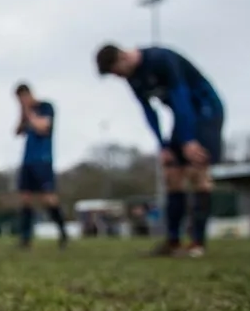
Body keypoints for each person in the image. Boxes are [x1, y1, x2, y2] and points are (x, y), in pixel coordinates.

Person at [95, 43, 224, 257]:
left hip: (204, 111)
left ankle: (197, 243)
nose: (119, 78)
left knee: (197, 170)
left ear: (122, 57)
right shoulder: (133, 78)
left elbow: (182, 97)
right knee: (172, 174)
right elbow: (149, 111)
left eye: (117, 72)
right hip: (182, 118)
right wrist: (163, 145)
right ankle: (173, 241)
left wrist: (189, 139)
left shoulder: (161, 59)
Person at [14, 83, 67, 249]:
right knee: (25, 198)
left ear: (29, 94)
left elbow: (43, 127)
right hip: (27, 160)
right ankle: (25, 238)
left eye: (23, 98)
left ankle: (63, 233)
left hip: (43, 159)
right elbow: (17, 132)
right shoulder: (25, 114)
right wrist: (22, 114)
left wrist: (29, 113)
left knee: (48, 197)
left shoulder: (45, 107)